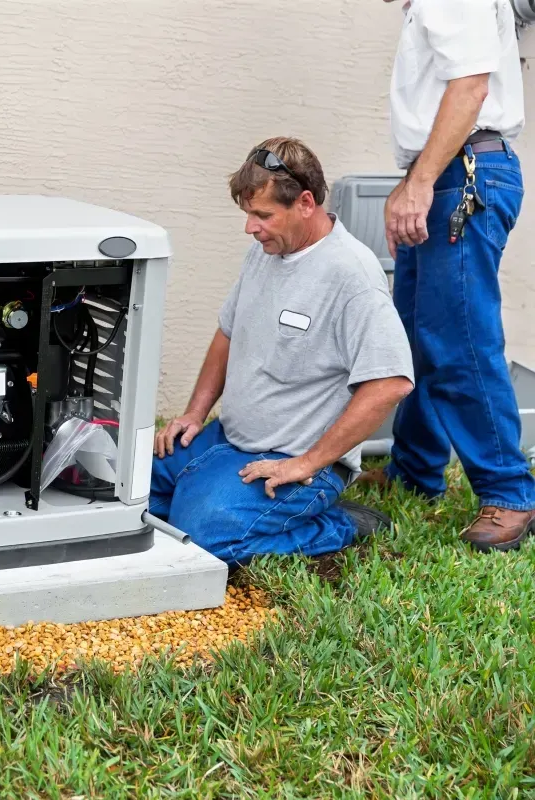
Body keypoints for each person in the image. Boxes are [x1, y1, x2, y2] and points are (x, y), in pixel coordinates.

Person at [152, 137, 415, 567]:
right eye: (249, 215)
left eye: (263, 215)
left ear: (306, 203)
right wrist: (194, 413)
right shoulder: (265, 252)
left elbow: (390, 383)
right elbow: (227, 333)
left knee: (203, 540)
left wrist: (308, 462)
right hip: (226, 439)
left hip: (293, 461)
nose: (250, 227)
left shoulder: (351, 275)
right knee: (130, 494)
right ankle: (208, 488)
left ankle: (341, 524)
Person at [360, 0, 533, 552]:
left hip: (462, 176)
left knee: (458, 338)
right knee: (416, 334)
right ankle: (415, 470)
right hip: (446, 175)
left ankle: (509, 494)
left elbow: (470, 88)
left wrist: (420, 183)